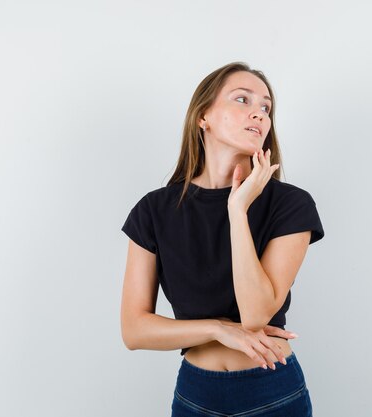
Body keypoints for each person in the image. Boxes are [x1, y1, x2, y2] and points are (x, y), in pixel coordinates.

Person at [120, 62, 325, 416]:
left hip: (271, 391)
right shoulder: (153, 210)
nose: (259, 114)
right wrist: (217, 330)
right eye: (242, 99)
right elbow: (134, 331)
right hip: (195, 395)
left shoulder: (291, 204)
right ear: (204, 117)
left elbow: (255, 317)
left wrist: (237, 209)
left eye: (265, 107)